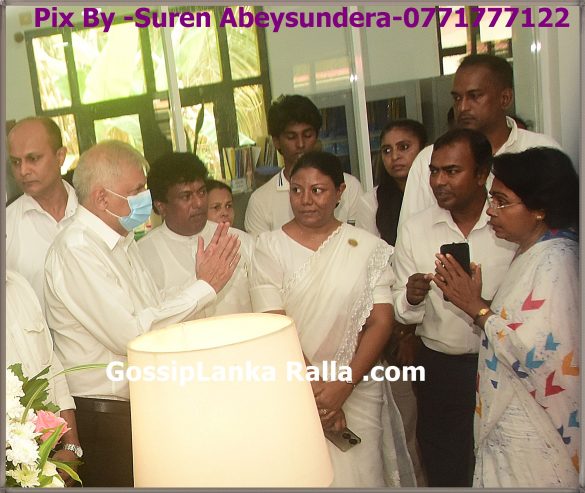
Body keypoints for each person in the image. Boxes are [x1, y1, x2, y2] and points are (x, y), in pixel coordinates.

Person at [44, 140, 240, 487]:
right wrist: (203, 288)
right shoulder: (77, 248)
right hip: (102, 416)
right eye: (136, 190)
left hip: (136, 408)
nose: (145, 198)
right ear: (102, 198)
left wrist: (199, 283)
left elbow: (150, 307)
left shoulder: (120, 240)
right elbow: (131, 335)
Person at [250, 151, 415, 487]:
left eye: (317, 190)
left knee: (363, 474)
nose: (305, 200)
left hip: (359, 385)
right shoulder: (269, 247)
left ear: (340, 192)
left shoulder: (366, 247)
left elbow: (381, 321)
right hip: (295, 386)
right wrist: (319, 394)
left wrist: (344, 385)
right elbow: (274, 324)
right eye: (297, 190)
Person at [432, 147, 579, 488]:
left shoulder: (557, 261)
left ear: (540, 209)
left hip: (535, 431)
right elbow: (518, 327)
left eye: (501, 202)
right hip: (512, 420)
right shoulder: (532, 252)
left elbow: (540, 353)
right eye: (491, 199)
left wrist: (478, 308)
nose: (490, 211)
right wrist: (477, 304)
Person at [392, 129, 516, 487]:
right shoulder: (415, 229)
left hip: (500, 364)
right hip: (439, 368)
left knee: (504, 463)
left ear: (481, 174)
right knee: (446, 466)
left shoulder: (507, 225)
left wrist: (476, 302)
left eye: (451, 171)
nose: (438, 181)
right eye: (434, 171)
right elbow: (400, 308)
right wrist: (411, 297)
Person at [399, 54, 561, 226]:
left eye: (474, 96)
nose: (462, 107)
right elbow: (411, 231)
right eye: (457, 98)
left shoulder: (540, 150)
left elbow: (561, 226)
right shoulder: (428, 159)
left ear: (505, 98)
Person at [355, 118, 427, 485]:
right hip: (393, 320)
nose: (395, 156)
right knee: (406, 421)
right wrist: (401, 331)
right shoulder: (372, 201)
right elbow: (373, 269)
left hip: (438, 321)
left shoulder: (438, 194)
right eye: (387, 150)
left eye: (404, 147)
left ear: (424, 151)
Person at [138, 153, 253, 316]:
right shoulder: (143, 255)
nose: (198, 203)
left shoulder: (239, 241)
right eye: (186, 197)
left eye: (202, 192)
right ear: (161, 206)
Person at [244, 94, 362, 236]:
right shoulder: (260, 201)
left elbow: (361, 242)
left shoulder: (349, 186)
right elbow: (260, 249)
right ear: (276, 141)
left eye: (307, 135)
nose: (300, 144)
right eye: (291, 137)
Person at [6, 117, 78, 308]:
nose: (23, 170)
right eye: (15, 162)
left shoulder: (94, 212)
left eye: (33, 159)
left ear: (60, 156)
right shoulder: (7, 226)